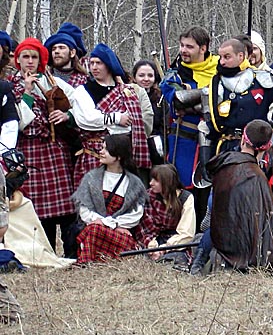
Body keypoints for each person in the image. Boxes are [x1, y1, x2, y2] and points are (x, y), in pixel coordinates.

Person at [11, 38, 78, 255]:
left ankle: (71, 253)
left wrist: (67, 115)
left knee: (67, 208)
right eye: (25, 57)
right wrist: (27, 92)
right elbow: (20, 122)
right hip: (29, 152)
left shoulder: (52, 81)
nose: (30, 61)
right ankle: (46, 253)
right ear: (18, 60)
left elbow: (78, 104)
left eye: (34, 57)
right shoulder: (11, 85)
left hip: (54, 149)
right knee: (39, 210)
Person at [205, 120, 273, 271]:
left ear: (243, 139)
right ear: (267, 147)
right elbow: (271, 224)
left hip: (221, 244)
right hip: (244, 252)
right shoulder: (257, 177)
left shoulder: (223, 165)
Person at [72, 44, 152, 186]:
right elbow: (86, 119)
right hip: (95, 155)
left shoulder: (127, 91)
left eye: (99, 63)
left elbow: (133, 125)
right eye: (92, 63)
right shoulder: (83, 91)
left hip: (123, 157)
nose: (94, 67)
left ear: (108, 65)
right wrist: (117, 118)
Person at [72, 134, 147, 263]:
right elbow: (84, 209)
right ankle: (89, 260)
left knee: (94, 230)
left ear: (118, 156)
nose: (101, 152)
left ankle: (90, 259)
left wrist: (112, 225)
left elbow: (136, 214)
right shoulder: (91, 178)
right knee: (94, 230)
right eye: (102, 148)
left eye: (106, 149)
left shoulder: (134, 183)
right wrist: (104, 223)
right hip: (94, 228)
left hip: (119, 233)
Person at [159, 27, 219, 188]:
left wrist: (193, 96)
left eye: (189, 47)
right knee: (182, 188)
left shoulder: (219, 69)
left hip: (214, 140)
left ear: (203, 48)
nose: (183, 50)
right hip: (184, 140)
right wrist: (209, 96)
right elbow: (178, 100)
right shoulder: (175, 74)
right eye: (182, 45)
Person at [136, 164, 195, 265]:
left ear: (167, 182)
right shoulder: (148, 196)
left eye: (156, 180)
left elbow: (186, 232)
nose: (151, 183)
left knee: (176, 259)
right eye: (151, 179)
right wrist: (152, 247)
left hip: (175, 240)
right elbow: (144, 227)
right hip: (153, 238)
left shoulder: (185, 198)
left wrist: (165, 248)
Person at [133, 60, 166, 168]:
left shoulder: (160, 98)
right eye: (141, 75)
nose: (146, 79)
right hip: (135, 146)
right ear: (134, 77)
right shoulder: (128, 96)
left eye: (150, 75)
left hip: (156, 148)